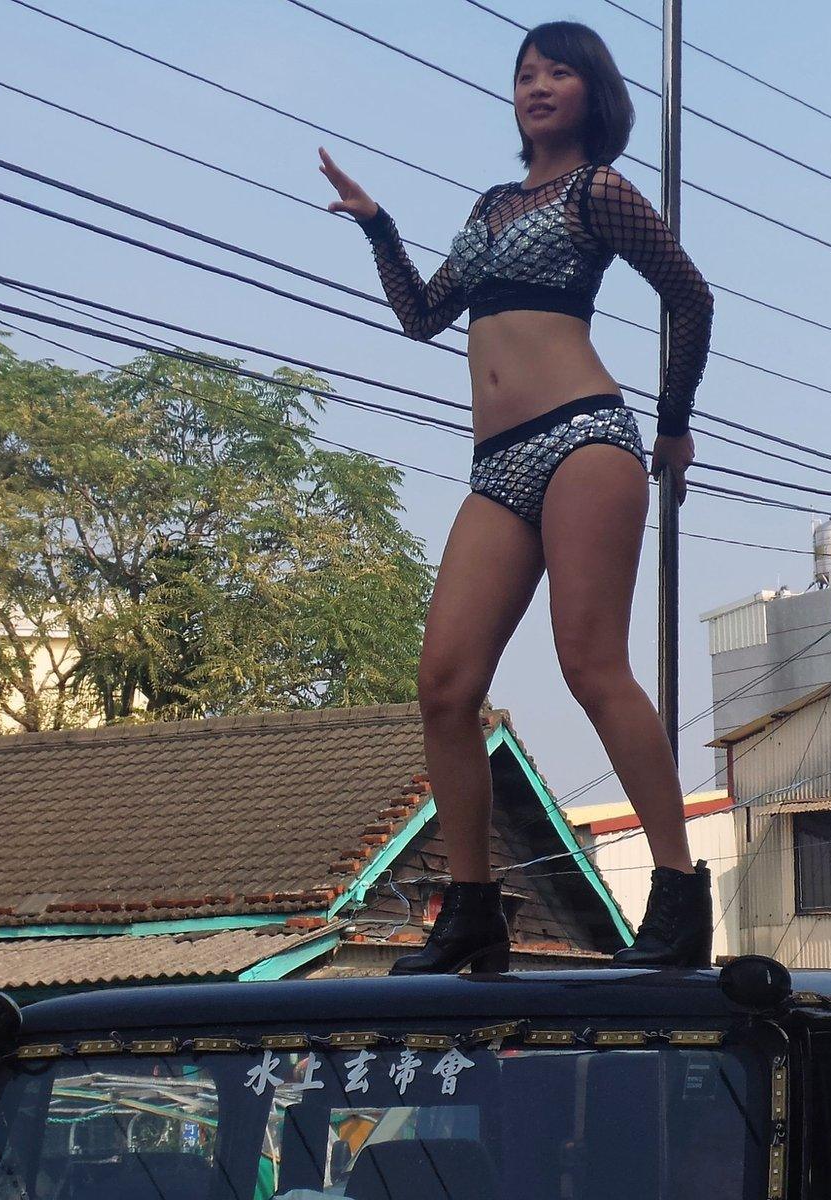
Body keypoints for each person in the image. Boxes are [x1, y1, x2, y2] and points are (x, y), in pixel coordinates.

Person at [320, 20, 714, 973]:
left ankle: (679, 894)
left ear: (593, 94)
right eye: (525, 73)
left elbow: (691, 296)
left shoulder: (600, 192)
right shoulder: (493, 204)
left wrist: (672, 425)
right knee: (444, 685)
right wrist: (379, 226)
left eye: (559, 72)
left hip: (586, 436)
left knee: (589, 663)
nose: (536, 86)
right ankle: (474, 911)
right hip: (497, 465)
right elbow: (422, 315)